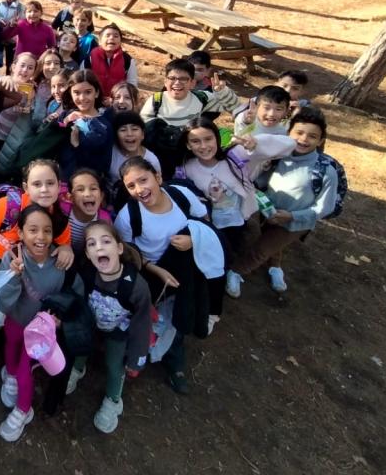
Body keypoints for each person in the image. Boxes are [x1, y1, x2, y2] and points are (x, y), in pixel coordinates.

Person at [114, 156, 219, 395]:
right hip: (152, 273)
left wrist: (193, 240)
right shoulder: (128, 216)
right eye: (131, 186)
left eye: (144, 180)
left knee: (181, 312)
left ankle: (175, 360)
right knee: (149, 316)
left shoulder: (181, 195)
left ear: (158, 177)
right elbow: (128, 253)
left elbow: (204, 222)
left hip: (187, 267)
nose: (139, 189)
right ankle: (136, 355)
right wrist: (156, 270)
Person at [179, 117, 294, 299]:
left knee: (234, 249)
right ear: (187, 145)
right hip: (212, 225)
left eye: (208, 139)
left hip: (240, 220)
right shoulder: (186, 169)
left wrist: (257, 144)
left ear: (217, 138)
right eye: (195, 141)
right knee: (214, 252)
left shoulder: (235, 156)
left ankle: (228, 272)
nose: (204, 146)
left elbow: (289, 144)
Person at [0, 204, 83, 441]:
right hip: (15, 319)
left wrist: (61, 319)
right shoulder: (11, 257)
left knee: (26, 371)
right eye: (33, 230)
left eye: (47, 230)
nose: (41, 237)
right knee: (11, 347)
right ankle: (9, 375)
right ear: (20, 233)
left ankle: (23, 410)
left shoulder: (61, 261)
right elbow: (3, 302)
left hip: (40, 333)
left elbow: (77, 295)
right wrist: (14, 276)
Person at [231, 107, 339, 294]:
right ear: (289, 133)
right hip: (268, 211)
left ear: (321, 141)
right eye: (299, 133)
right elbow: (262, 179)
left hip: (293, 222)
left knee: (261, 250)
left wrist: (291, 216)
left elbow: (325, 207)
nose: (304, 139)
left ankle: (235, 272)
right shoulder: (279, 156)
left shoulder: (325, 170)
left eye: (312, 136)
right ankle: (275, 267)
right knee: (271, 241)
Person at [77, 222, 151, 434]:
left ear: (119, 248)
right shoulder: (88, 274)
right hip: (92, 324)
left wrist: (137, 359)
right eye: (92, 244)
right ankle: (77, 369)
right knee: (80, 345)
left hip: (118, 331)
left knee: (113, 364)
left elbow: (142, 325)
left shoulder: (137, 287)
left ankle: (113, 399)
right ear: (88, 254)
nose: (99, 247)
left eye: (106, 241)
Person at [0, 159, 75, 282]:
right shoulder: (7, 206)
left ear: (59, 186)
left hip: (27, 271)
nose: (44, 189)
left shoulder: (59, 218)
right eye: (37, 184)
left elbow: (64, 244)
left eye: (50, 183)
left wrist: (66, 249)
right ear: (26, 188)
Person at [56, 69, 114, 181]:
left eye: (88, 92)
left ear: (96, 93)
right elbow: (53, 142)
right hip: (62, 182)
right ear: (70, 93)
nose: (82, 98)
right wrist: (64, 123)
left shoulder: (104, 124)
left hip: (89, 183)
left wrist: (77, 145)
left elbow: (104, 163)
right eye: (76, 93)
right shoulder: (66, 116)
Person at [108, 111, 161, 204]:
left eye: (134, 129)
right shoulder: (109, 153)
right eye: (123, 130)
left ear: (142, 135)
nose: (129, 134)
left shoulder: (151, 160)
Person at [64, 168, 112, 254]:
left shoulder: (104, 220)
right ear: (71, 198)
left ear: (101, 196)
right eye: (80, 189)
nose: (88, 194)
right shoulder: (63, 212)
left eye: (93, 188)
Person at [88, 24, 139, 98]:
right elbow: (83, 80)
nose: (111, 38)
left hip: (117, 100)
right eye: (107, 35)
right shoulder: (90, 57)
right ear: (100, 41)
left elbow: (132, 84)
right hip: (94, 99)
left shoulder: (127, 60)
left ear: (120, 41)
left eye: (116, 36)